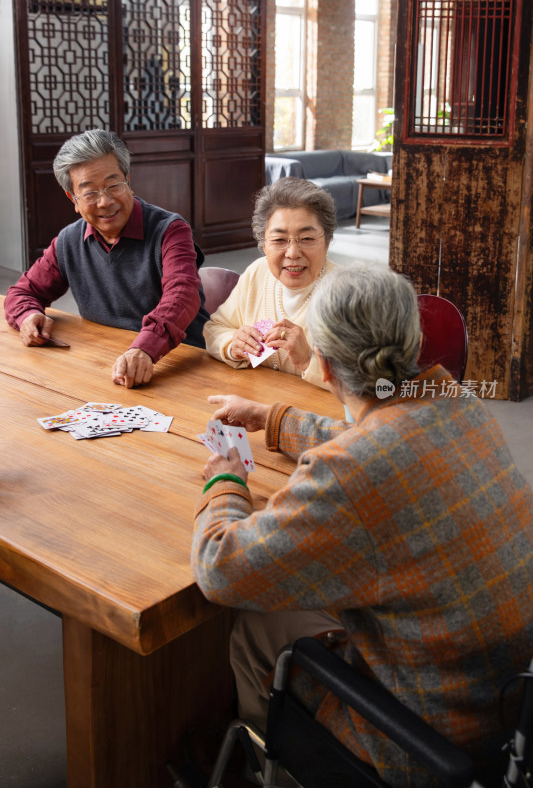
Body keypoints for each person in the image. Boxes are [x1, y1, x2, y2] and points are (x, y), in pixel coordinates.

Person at [192, 264, 533, 787]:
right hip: (507, 708)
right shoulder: (458, 401)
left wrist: (225, 483)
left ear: (323, 366)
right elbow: (375, 429)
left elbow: (220, 570)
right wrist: (274, 418)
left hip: (422, 740)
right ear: (412, 339)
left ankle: (275, 768)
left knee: (257, 625)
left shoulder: (348, 473)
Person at [5, 129, 209, 388]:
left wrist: (144, 349)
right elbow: (23, 292)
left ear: (128, 180)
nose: (105, 201)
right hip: (104, 363)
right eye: (89, 193)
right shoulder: (68, 241)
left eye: (113, 185)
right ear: (74, 200)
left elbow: (182, 295)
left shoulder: (170, 229)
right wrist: (27, 316)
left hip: (180, 364)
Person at [203, 177, 338, 388]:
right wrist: (233, 344)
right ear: (263, 244)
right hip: (256, 408)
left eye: (307, 239)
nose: (292, 253)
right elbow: (215, 328)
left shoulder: (351, 294)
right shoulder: (258, 272)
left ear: (327, 242)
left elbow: (374, 383)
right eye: (279, 240)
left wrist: (307, 360)